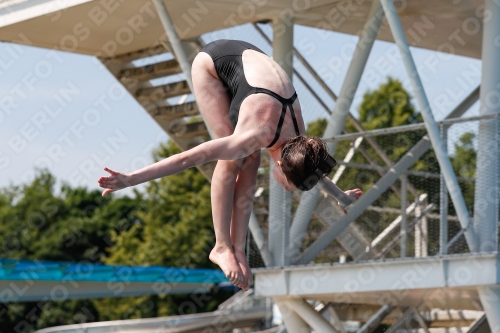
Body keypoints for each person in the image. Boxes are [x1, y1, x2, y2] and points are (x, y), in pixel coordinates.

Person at [98, 39, 362, 291]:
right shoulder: (254, 135)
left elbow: (310, 168)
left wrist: (339, 194)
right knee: (232, 159)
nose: (287, 190)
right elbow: (188, 158)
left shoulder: (301, 142)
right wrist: (130, 179)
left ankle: (239, 249)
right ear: (281, 164)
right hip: (212, 65)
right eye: (289, 185)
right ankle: (222, 247)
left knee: (253, 158)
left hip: (251, 68)